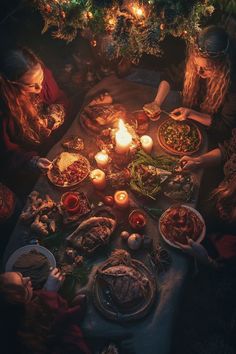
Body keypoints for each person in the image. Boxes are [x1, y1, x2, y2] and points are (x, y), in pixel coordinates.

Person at [144, 26, 236, 144]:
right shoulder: (195, 64)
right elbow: (170, 77)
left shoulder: (232, 83)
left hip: (213, 134)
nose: (199, 71)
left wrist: (191, 114)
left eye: (206, 68)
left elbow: (225, 126)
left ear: (221, 66)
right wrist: (156, 103)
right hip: (188, 121)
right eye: (196, 64)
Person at [0, 47, 70, 196]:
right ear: (13, 84)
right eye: (31, 85)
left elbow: (60, 98)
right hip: (34, 158)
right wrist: (33, 161)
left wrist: (55, 114)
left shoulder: (40, 75)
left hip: (59, 141)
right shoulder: (5, 109)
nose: (40, 88)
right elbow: (8, 153)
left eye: (41, 79)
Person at [0, 268, 91, 354]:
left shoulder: (12, 313)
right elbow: (55, 322)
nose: (28, 278)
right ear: (20, 304)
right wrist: (49, 294)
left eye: (21, 275)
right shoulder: (28, 332)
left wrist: (46, 288)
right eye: (23, 283)